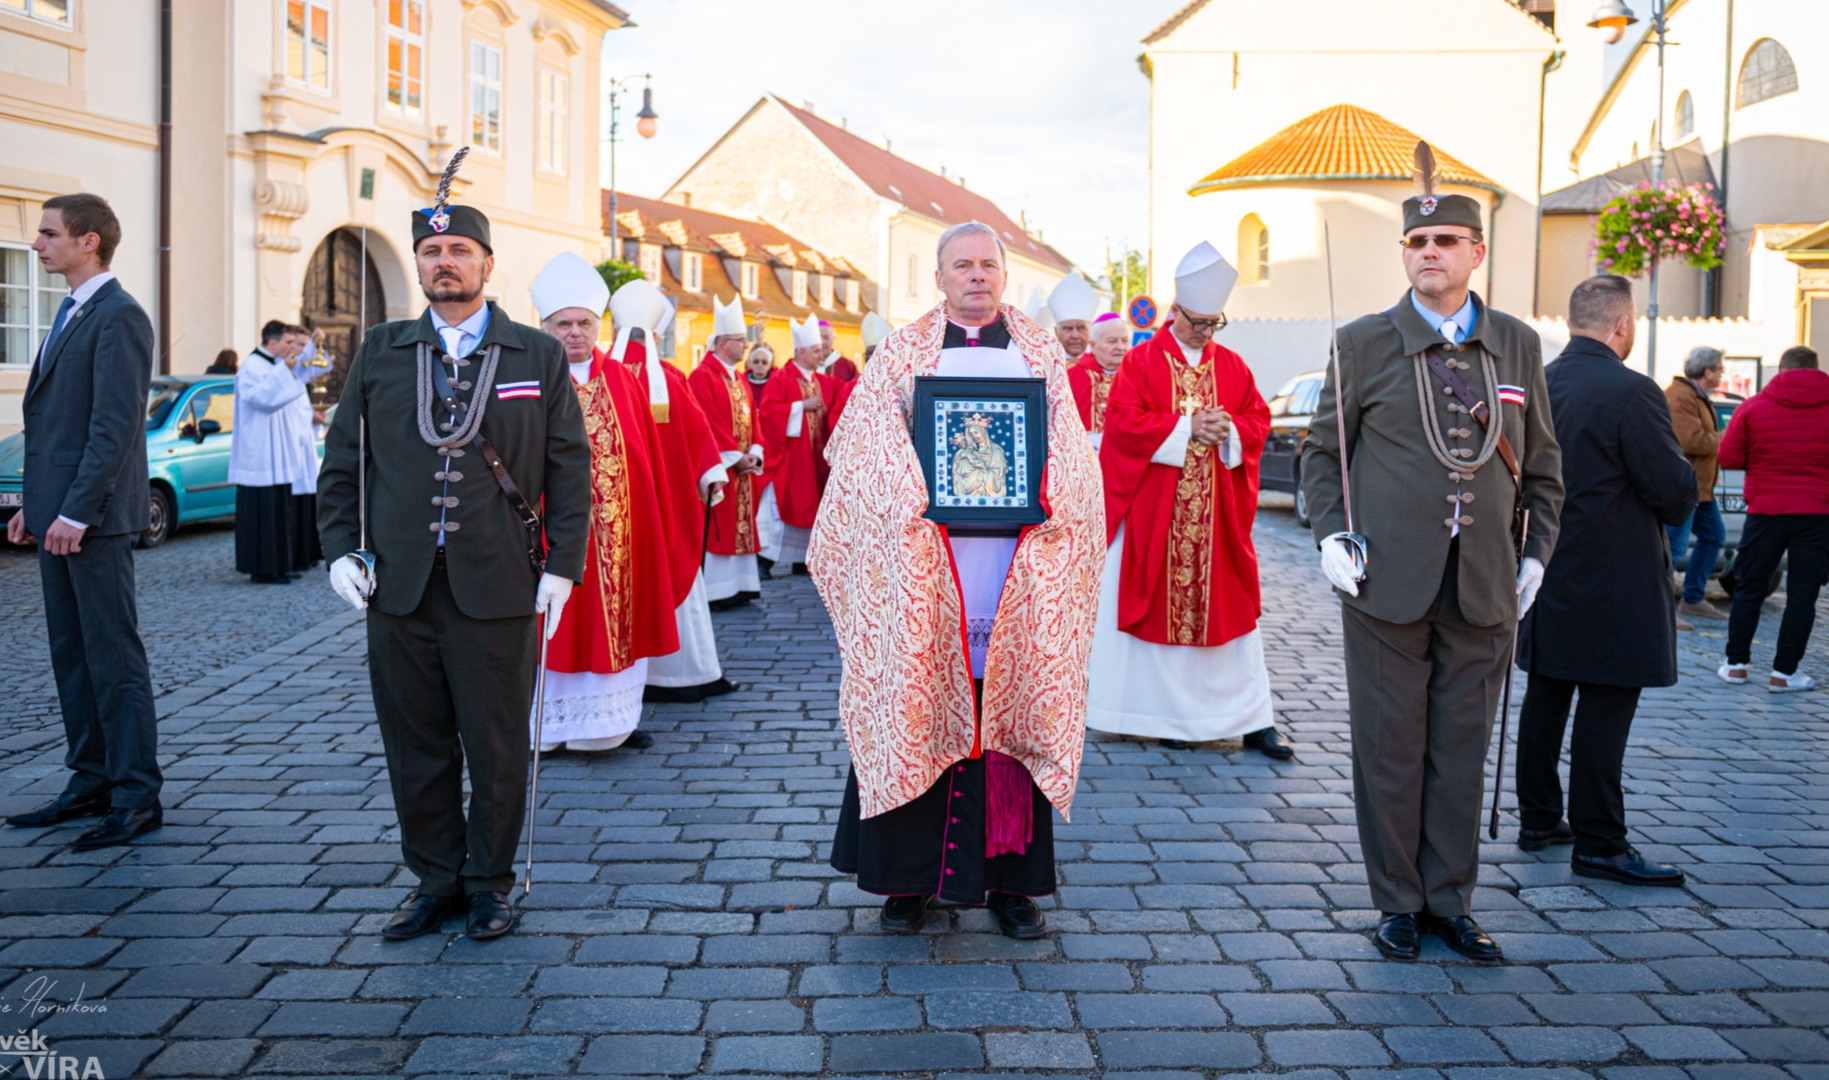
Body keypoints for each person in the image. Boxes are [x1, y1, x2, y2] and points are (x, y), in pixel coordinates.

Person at [316, 164, 591, 942]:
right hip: (397, 587)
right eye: (433, 250)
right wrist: (341, 549)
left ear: (486, 264)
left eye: (460, 250)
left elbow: (571, 469)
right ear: (419, 262)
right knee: (416, 745)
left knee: (497, 745)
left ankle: (490, 884)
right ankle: (434, 880)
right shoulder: (381, 350)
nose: (445, 262)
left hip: (501, 583)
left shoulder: (534, 355)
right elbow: (343, 462)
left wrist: (563, 566)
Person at [1300, 163, 1563, 963]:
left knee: (1460, 748)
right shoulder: (1362, 342)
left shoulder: (1515, 341)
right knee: (1388, 746)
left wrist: (1536, 556)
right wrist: (1327, 537)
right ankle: (1397, 904)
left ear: (1475, 252)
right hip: (1385, 580)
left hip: (1484, 579)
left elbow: (1543, 462)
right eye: (1415, 241)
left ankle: (1450, 900)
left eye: (1445, 240)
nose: (1428, 252)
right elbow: (1321, 455)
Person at [811, 221, 1104, 939]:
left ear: (1003, 277)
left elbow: (1071, 457)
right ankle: (907, 881)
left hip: (1014, 567)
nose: (976, 277)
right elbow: (859, 447)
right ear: (938, 278)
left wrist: (1046, 496)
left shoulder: (1040, 353)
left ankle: (1010, 881)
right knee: (914, 701)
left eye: (987, 266)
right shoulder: (902, 355)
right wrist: (914, 492)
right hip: (925, 562)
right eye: (961, 266)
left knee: (1005, 708)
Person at [1515, 275, 1694, 887]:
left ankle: (1539, 818)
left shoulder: (1536, 385)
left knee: (1546, 694)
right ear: (1622, 325)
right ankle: (1599, 842)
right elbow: (1673, 493)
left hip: (1543, 565)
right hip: (1613, 575)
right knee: (1605, 704)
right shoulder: (1632, 391)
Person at [7, 189, 163, 852]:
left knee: (113, 657)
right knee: (71, 657)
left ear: (87, 240)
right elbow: (53, 425)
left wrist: (74, 510)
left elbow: (113, 426)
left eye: (48, 234)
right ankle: (90, 779)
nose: (38, 244)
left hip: (93, 521)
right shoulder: (69, 312)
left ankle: (135, 794)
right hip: (57, 517)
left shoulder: (118, 315)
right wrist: (34, 510)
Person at [1088, 242, 1287, 758]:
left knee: (1234, 611)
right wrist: (1185, 427)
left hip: (1217, 520)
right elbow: (1123, 425)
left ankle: (1251, 719)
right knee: (1151, 606)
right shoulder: (1141, 362)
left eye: (1214, 323)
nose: (1205, 332)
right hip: (1156, 515)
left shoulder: (1235, 366)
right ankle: (1160, 716)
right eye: (1197, 322)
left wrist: (1230, 431)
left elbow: (1258, 419)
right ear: (1174, 312)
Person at [529, 253, 679, 754]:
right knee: (549, 625)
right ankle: (545, 731)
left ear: (598, 326)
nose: (575, 333)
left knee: (615, 618)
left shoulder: (622, 380)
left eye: (585, 324)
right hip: (547, 534)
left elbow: (648, 461)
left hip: (620, 534)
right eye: (563, 324)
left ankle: (606, 728)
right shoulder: (528, 379)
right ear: (544, 325)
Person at [606, 278, 739, 705]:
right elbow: (700, 439)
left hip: (613, 511)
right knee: (678, 584)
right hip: (668, 507)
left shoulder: (598, 379)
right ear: (657, 337)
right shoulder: (667, 378)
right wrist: (710, 477)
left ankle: (625, 680)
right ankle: (686, 675)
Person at [1717, 345, 1829, 693]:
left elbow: (1729, 456)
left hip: (1766, 509)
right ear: (1815, 369)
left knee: (1750, 587)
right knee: (1802, 593)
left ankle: (1736, 665)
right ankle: (1784, 674)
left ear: (1781, 370)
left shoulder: (1754, 407)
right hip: (1818, 511)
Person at [687, 295, 764, 611]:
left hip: (741, 467)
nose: (745, 346)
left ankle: (743, 586)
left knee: (742, 525)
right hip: (722, 468)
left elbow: (753, 418)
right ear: (721, 343)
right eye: (739, 341)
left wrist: (754, 451)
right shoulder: (702, 376)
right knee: (722, 525)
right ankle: (719, 592)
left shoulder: (739, 377)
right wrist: (734, 456)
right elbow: (706, 421)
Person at [229, 321, 318, 584]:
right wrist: (284, 372)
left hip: (279, 452)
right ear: (272, 343)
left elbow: (307, 373)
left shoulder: (277, 365)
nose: (293, 348)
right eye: (289, 343)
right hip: (260, 457)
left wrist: (311, 349)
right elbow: (261, 399)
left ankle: (281, 563)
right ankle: (263, 568)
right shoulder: (252, 366)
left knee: (281, 512)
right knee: (264, 515)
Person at [758, 314, 840, 577]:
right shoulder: (782, 378)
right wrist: (800, 407)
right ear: (800, 351)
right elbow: (768, 414)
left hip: (813, 458)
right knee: (782, 511)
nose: (821, 355)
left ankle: (801, 560)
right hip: (791, 459)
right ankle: (765, 561)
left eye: (821, 350)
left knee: (811, 506)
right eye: (816, 351)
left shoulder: (819, 380)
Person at [1665, 346, 1728, 625]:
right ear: (1708, 372)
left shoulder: (1699, 397)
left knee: (1714, 536)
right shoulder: (1680, 396)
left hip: (1701, 489)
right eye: (1720, 369)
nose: (1722, 373)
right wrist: (1723, 436)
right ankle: (1663, 608)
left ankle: (1693, 598)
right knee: (1674, 548)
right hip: (1682, 485)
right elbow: (1693, 441)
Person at [1068, 313, 1129, 446]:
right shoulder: (1072, 378)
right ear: (1093, 345)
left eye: (1125, 341)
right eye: (1112, 341)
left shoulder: (1137, 377)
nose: (1121, 347)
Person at [1049, 269, 1098, 362]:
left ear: (1090, 331)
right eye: (1068, 328)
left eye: (1081, 328)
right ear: (1056, 332)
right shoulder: (1045, 366)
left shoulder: (1104, 366)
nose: (1075, 335)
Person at [744, 342, 773, 415]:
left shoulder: (776, 383)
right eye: (756, 361)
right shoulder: (741, 382)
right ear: (750, 363)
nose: (760, 364)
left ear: (769, 365)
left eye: (764, 362)